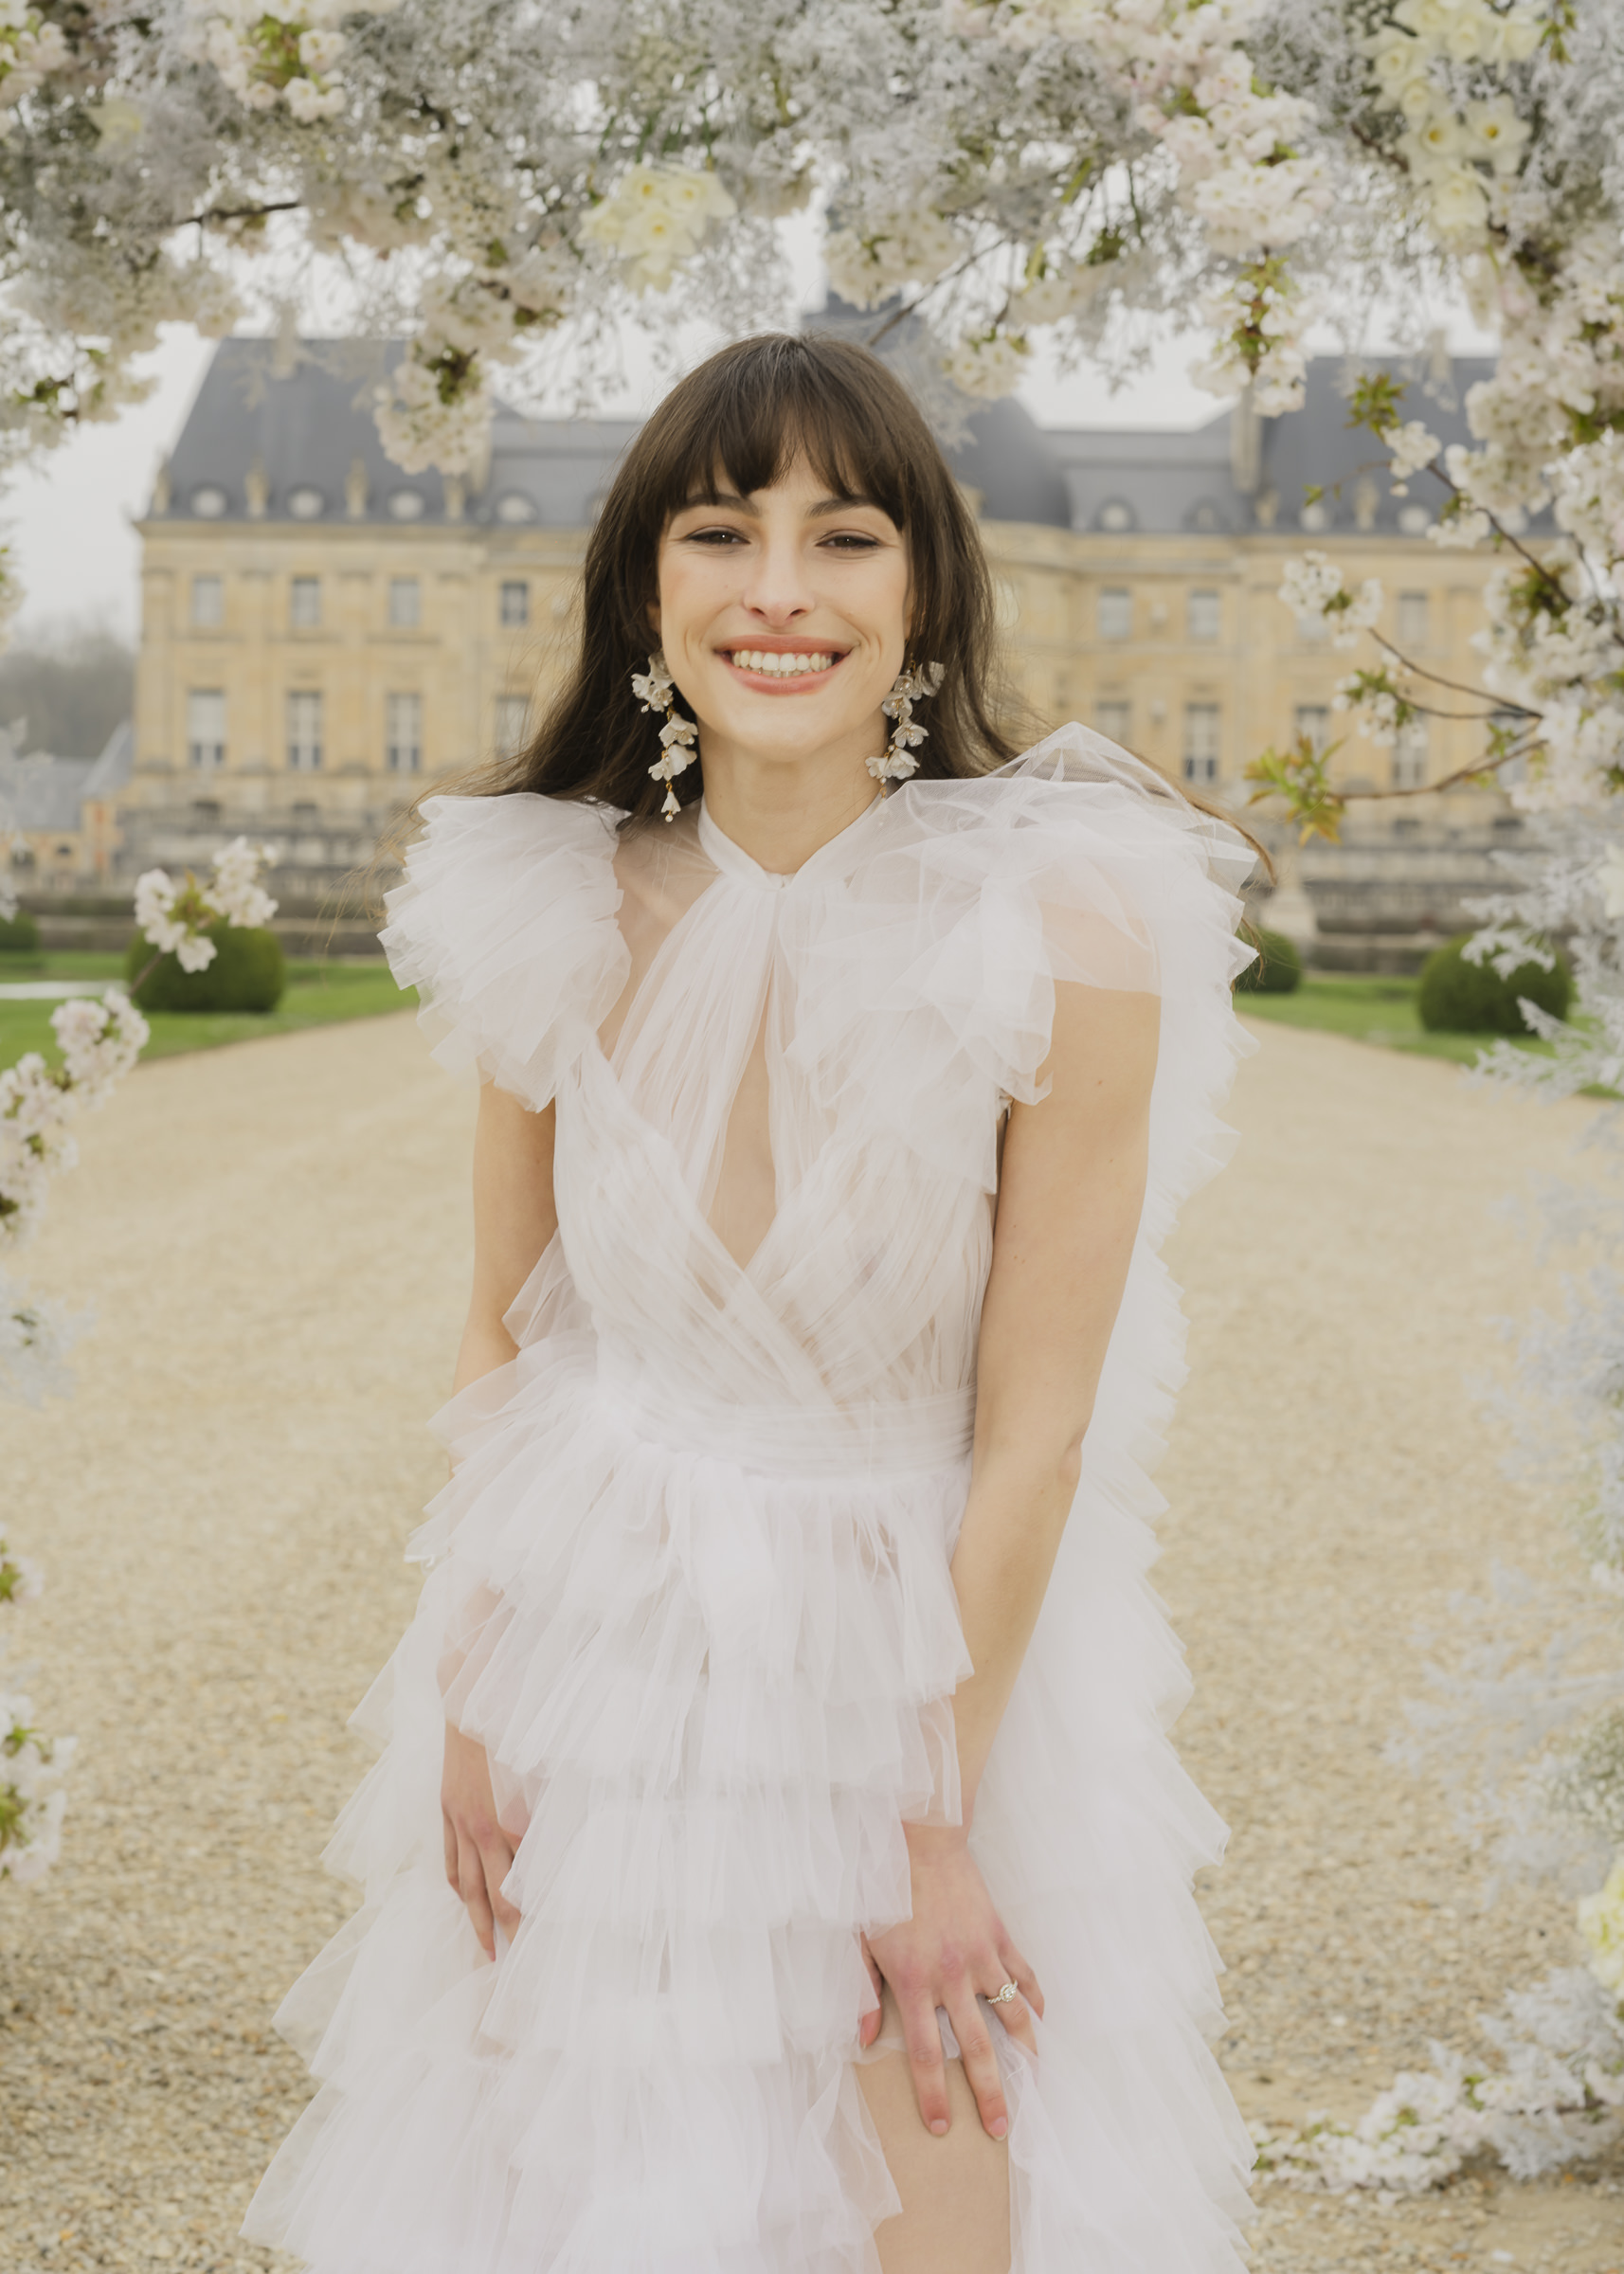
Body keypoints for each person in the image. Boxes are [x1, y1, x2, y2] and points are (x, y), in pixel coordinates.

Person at [244, 330, 1259, 2274]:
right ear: (648, 588)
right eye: (720, 531)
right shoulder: (544, 897)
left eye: (843, 536)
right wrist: (478, 1682)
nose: (777, 588)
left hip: (920, 1648)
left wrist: (922, 1818)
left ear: (924, 597)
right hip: (601, 1646)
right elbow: (506, 1341)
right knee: (593, 2195)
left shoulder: (1062, 923)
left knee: (937, 2186)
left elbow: (1035, 1432)